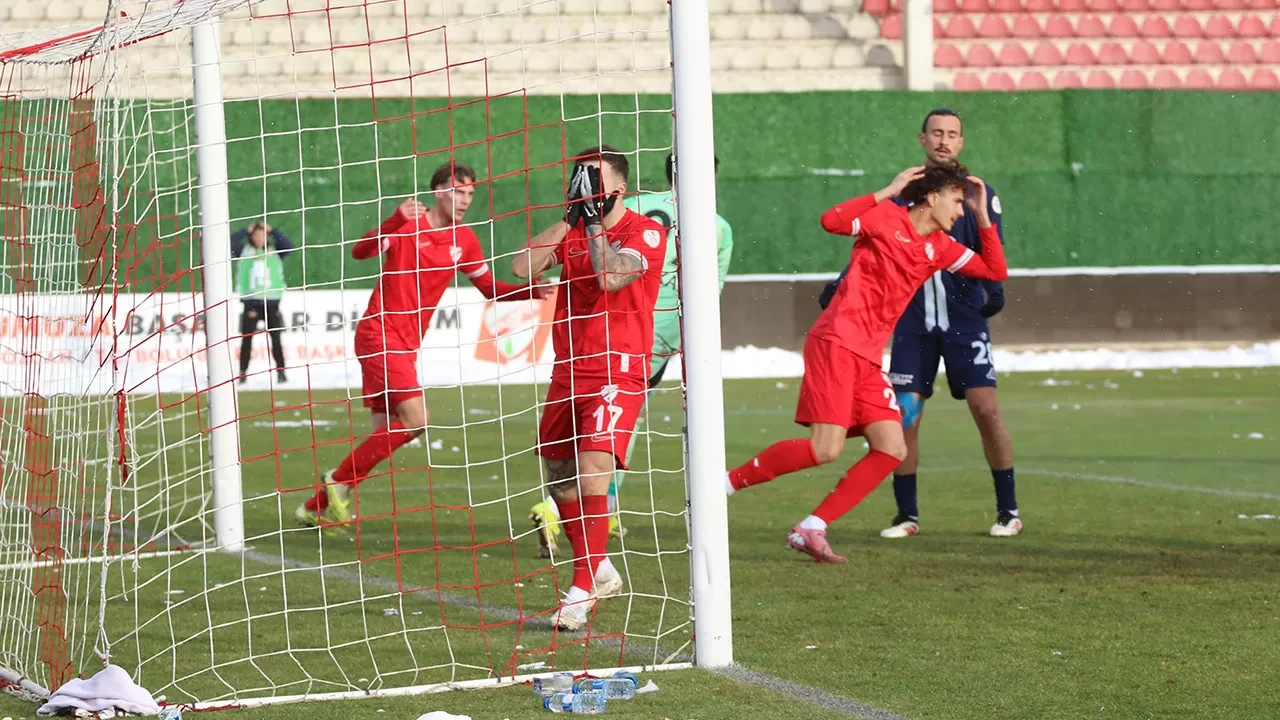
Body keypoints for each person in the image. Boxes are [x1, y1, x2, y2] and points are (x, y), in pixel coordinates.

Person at [726, 163, 1009, 564]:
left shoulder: (941, 247)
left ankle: (812, 527)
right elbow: (831, 221)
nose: (961, 211)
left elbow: (996, 271)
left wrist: (984, 219)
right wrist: (886, 190)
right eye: (958, 201)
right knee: (826, 450)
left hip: (868, 358)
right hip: (838, 343)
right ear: (932, 197)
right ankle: (720, 486)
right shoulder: (885, 217)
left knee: (891, 447)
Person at [296, 162, 543, 530]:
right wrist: (392, 221)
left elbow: (490, 289)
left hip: (407, 344)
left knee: (386, 429)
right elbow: (359, 253)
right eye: (458, 192)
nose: (464, 201)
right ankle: (337, 482)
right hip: (378, 334)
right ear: (438, 191)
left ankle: (314, 507)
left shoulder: (466, 239)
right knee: (416, 419)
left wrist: (534, 291)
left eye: (470, 194)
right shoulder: (407, 224)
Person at [819, 109, 1022, 539]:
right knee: (906, 416)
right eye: (937, 134)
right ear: (923, 140)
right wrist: (841, 284)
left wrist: (993, 291)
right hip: (912, 324)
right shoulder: (904, 195)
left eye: (952, 134)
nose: (944, 141)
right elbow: (879, 246)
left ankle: (1009, 510)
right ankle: (906, 515)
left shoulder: (977, 194)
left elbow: (992, 254)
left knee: (986, 409)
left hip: (964, 321)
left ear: (961, 142)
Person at [526, 153, 733, 555]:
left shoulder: (638, 207)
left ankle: (588, 528)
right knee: (620, 423)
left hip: (614, 335)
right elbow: (710, 288)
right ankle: (596, 507)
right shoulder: (716, 226)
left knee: (611, 424)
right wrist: (685, 339)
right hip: (643, 337)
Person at [511, 145, 667, 630]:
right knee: (559, 475)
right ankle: (597, 566)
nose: (583, 184)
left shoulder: (647, 231)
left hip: (618, 369)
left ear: (618, 188)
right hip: (568, 369)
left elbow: (611, 274)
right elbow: (522, 267)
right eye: (578, 176)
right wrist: (570, 218)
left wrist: (595, 223)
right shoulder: (573, 229)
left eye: (592, 178)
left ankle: (579, 591)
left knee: (593, 470)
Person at [232, 221, 293, 384]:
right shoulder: (244, 251)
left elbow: (288, 245)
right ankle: (242, 373)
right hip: (251, 302)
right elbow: (230, 242)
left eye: (263, 235)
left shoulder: (274, 251)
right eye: (256, 235)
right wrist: (246, 230)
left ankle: (281, 372)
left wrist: (272, 230)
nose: (260, 239)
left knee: (276, 339)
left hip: (272, 302)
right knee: (246, 340)